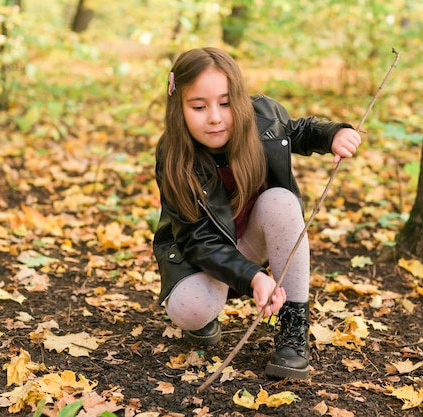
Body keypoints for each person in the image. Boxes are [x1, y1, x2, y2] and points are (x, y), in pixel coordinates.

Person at [152, 47, 361, 380]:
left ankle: (293, 329)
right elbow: (197, 240)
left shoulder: (263, 117)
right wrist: (251, 277)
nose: (215, 117)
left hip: (252, 238)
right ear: (179, 108)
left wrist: (334, 134)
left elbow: (299, 131)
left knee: (281, 200)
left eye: (225, 102)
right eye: (198, 106)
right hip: (203, 254)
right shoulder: (175, 157)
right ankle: (207, 315)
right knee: (189, 309)